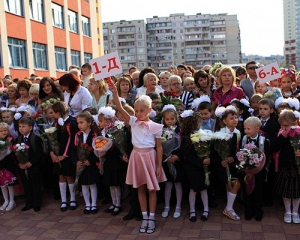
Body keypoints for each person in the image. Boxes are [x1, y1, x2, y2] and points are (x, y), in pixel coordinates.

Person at [109, 83, 166, 234]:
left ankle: (152, 218)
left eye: (142, 111)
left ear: (150, 110)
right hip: (136, 157)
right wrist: (115, 92)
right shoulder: (133, 122)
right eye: (137, 111)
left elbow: (159, 147)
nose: (139, 113)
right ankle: (145, 217)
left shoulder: (156, 126)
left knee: (151, 189)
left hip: (150, 157)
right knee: (140, 188)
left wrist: (159, 165)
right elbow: (120, 107)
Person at [172, 110, 209, 222]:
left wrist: (206, 158)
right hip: (192, 167)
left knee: (203, 189)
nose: (200, 123)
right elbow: (187, 154)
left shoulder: (202, 134)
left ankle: (206, 210)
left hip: (202, 167)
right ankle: (192, 210)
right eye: (198, 121)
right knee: (192, 189)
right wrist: (200, 162)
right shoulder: (186, 137)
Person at [213, 106, 241, 221]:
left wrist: (233, 157)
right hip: (222, 166)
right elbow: (214, 151)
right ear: (224, 121)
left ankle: (229, 208)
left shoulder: (238, 133)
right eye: (231, 118)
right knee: (230, 185)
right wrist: (222, 160)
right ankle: (229, 209)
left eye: (236, 117)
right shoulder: (220, 133)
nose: (235, 120)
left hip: (232, 165)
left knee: (235, 184)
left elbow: (238, 149)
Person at [272, 110, 300, 224]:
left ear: (295, 122)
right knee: (287, 191)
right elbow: (274, 147)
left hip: (297, 167)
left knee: (297, 192)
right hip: (285, 166)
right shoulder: (280, 134)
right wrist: (283, 136)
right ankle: (288, 211)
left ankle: (296, 211)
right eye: (282, 125)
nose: (285, 128)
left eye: (287, 125)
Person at [51, 101, 78, 212]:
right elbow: (52, 139)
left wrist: (64, 155)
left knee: (69, 176)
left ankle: (72, 198)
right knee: (61, 176)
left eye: (53, 112)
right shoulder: (56, 123)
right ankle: (63, 200)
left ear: (59, 112)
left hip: (67, 155)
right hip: (57, 154)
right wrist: (52, 153)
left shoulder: (71, 122)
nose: (53, 115)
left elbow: (71, 140)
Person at [242, 117, 270, 221]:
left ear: (257, 129)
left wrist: (258, 169)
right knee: (247, 191)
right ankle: (248, 211)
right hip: (246, 171)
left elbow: (267, 157)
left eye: (248, 129)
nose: (246, 131)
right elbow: (240, 153)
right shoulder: (244, 139)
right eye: (245, 128)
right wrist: (246, 168)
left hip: (259, 172)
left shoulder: (264, 141)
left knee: (258, 191)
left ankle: (257, 211)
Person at [97, 106, 123, 216]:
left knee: (116, 184)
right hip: (107, 161)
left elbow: (116, 146)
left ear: (108, 121)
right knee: (110, 185)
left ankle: (118, 204)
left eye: (101, 121)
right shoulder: (102, 132)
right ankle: (113, 203)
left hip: (114, 161)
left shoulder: (114, 131)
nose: (100, 123)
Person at [160, 105, 182, 219]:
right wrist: (165, 155)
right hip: (166, 160)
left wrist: (177, 156)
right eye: (167, 119)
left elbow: (183, 147)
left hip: (176, 161)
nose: (169, 121)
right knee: (168, 184)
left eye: (172, 119)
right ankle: (167, 206)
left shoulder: (179, 131)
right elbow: (159, 146)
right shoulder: (161, 131)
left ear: (176, 119)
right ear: (163, 119)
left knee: (177, 184)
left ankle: (178, 206)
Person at [16, 117, 43, 212]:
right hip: (23, 166)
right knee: (26, 185)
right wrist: (20, 162)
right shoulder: (19, 139)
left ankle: (37, 203)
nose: (21, 128)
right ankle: (28, 202)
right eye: (19, 126)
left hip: (33, 166)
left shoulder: (35, 138)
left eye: (23, 126)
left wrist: (31, 162)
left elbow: (39, 153)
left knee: (35, 184)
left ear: (30, 128)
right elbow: (16, 152)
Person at [75, 112, 99, 214]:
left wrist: (91, 160)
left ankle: (94, 204)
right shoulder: (78, 135)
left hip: (90, 163)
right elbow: (74, 150)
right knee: (84, 184)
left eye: (81, 122)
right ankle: (87, 204)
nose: (79, 125)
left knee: (92, 184)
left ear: (89, 123)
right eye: (78, 123)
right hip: (81, 163)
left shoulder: (94, 134)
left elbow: (98, 150)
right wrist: (76, 161)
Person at [0, 122, 17, 211]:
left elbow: (11, 153)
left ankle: (12, 201)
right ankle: (6, 201)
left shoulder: (10, 140)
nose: (3, 132)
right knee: (2, 185)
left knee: (10, 184)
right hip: (0, 165)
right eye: (1, 131)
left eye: (5, 130)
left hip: (7, 164)